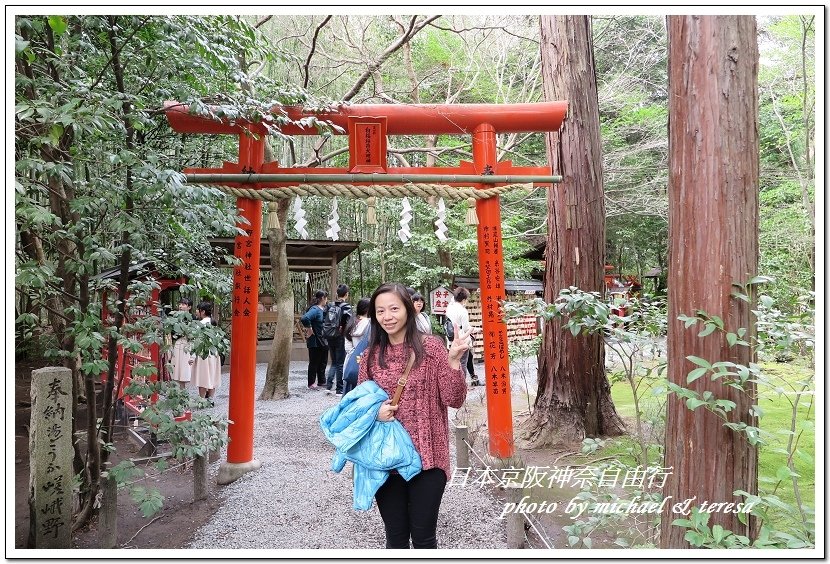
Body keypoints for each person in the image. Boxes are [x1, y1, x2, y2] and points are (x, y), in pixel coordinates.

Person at [357, 282, 471, 549]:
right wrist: (375, 412)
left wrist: (453, 360)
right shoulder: (371, 356)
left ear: (408, 309)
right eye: (380, 311)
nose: (387, 316)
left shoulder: (431, 347)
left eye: (394, 308)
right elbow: (359, 407)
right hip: (386, 462)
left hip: (427, 460)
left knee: (424, 537)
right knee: (395, 537)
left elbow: (454, 399)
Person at [444, 287, 479, 386]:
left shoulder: (450, 307)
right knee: (462, 362)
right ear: (464, 299)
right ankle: (461, 385)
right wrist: (477, 329)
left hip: (451, 339)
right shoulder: (462, 311)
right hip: (462, 339)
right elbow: (466, 328)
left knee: (455, 361)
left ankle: (455, 383)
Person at [192, 301, 222, 404]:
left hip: (203, 352)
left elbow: (197, 341)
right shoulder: (214, 323)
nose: (196, 311)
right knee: (212, 375)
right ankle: (210, 400)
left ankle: (201, 399)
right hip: (213, 352)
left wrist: (192, 356)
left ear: (203, 311)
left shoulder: (200, 324)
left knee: (203, 376)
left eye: (198, 309)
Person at [324, 284, 353, 395]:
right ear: (346, 294)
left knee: (334, 362)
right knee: (340, 363)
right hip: (340, 336)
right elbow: (349, 323)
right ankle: (339, 389)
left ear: (337, 293)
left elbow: (324, 318)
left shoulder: (330, 305)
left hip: (330, 335)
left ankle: (328, 386)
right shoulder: (346, 306)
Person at [301, 290, 329, 390]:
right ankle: (311, 382)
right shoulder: (315, 309)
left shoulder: (324, 309)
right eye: (326, 298)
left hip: (323, 340)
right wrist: (309, 328)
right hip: (315, 341)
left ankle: (322, 381)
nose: (327, 300)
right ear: (322, 298)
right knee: (314, 362)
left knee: (323, 361)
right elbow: (305, 318)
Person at [342, 297, 371, 395]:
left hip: (352, 359)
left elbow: (347, 346)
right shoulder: (369, 323)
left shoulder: (352, 322)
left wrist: (354, 353)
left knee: (349, 390)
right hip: (365, 360)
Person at [169, 297, 195, 389]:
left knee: (184, 369)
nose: (180, 306)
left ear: (189, 307)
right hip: (177, 343)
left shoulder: (192, 318)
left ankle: (183, 391)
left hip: (187, 343)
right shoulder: (174, 317)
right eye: (180, 304)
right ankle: (178, 391)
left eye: (183, 304)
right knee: (176, 368)